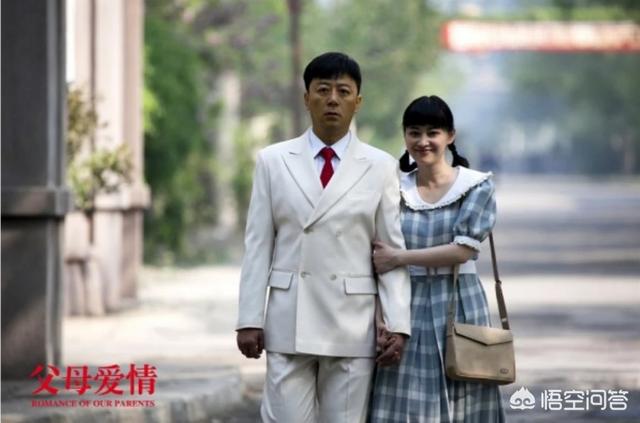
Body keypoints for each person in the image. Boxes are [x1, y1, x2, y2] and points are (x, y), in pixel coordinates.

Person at [235, 52, 411, 423]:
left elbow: (390, 252)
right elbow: (258, 246)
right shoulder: (273, 160)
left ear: (357, 102)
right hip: (289, 319)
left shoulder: (380, 166)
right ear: (306, 98)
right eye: (323, 90)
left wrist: (397, 324)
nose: (333, 99)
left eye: (343, 91)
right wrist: (249, 318)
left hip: (351, 323)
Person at [369, 95, 505, 422]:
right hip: (404, 302)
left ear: (450, 136)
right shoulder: (393, 188)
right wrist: (378, 317)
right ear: (405, 136)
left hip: (460, 301)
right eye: (414, 132)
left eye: (433, 132)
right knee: (402, 396)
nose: (423, 141)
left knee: (465, 387)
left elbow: (463, 250)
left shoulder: (475, 186)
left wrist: (399, 258)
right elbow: (376, 257)